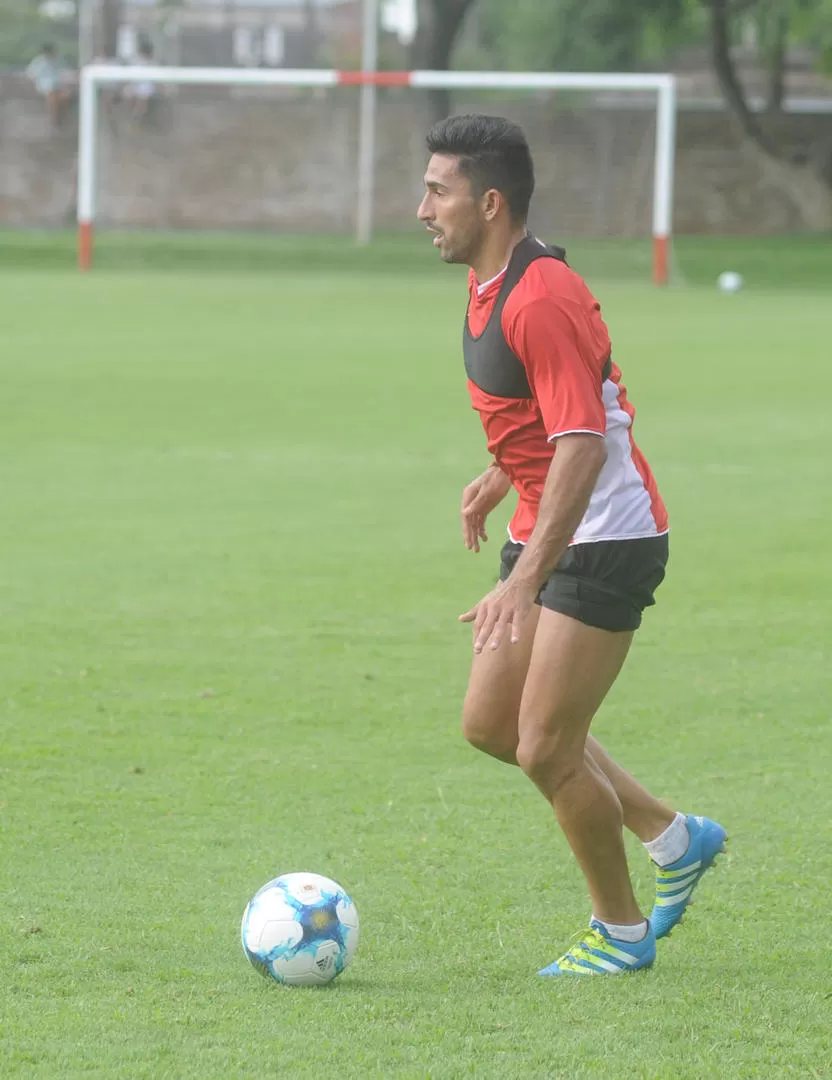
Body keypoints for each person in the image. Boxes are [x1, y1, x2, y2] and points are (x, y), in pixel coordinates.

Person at [416, 114, 726, 977]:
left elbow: (584, 441)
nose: (421, 208)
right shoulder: (491, 281)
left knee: (546, 746)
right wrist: (501, 470)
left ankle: (621, 934)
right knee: (491, 725)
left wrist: (524, 584)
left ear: (490, 201)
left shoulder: (539, 295)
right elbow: (543, 415)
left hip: (606, 535)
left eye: (437, 190)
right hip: (550, 518)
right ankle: (675, 835)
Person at [26, 43, 74, 129]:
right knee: (52, 98)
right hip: (45, 87)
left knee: (66, 96)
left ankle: (62, 119)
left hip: (59, 86)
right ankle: (54, 121)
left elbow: (66, 72)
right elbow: (31, 74)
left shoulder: (59, 60)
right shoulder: (39, 62)